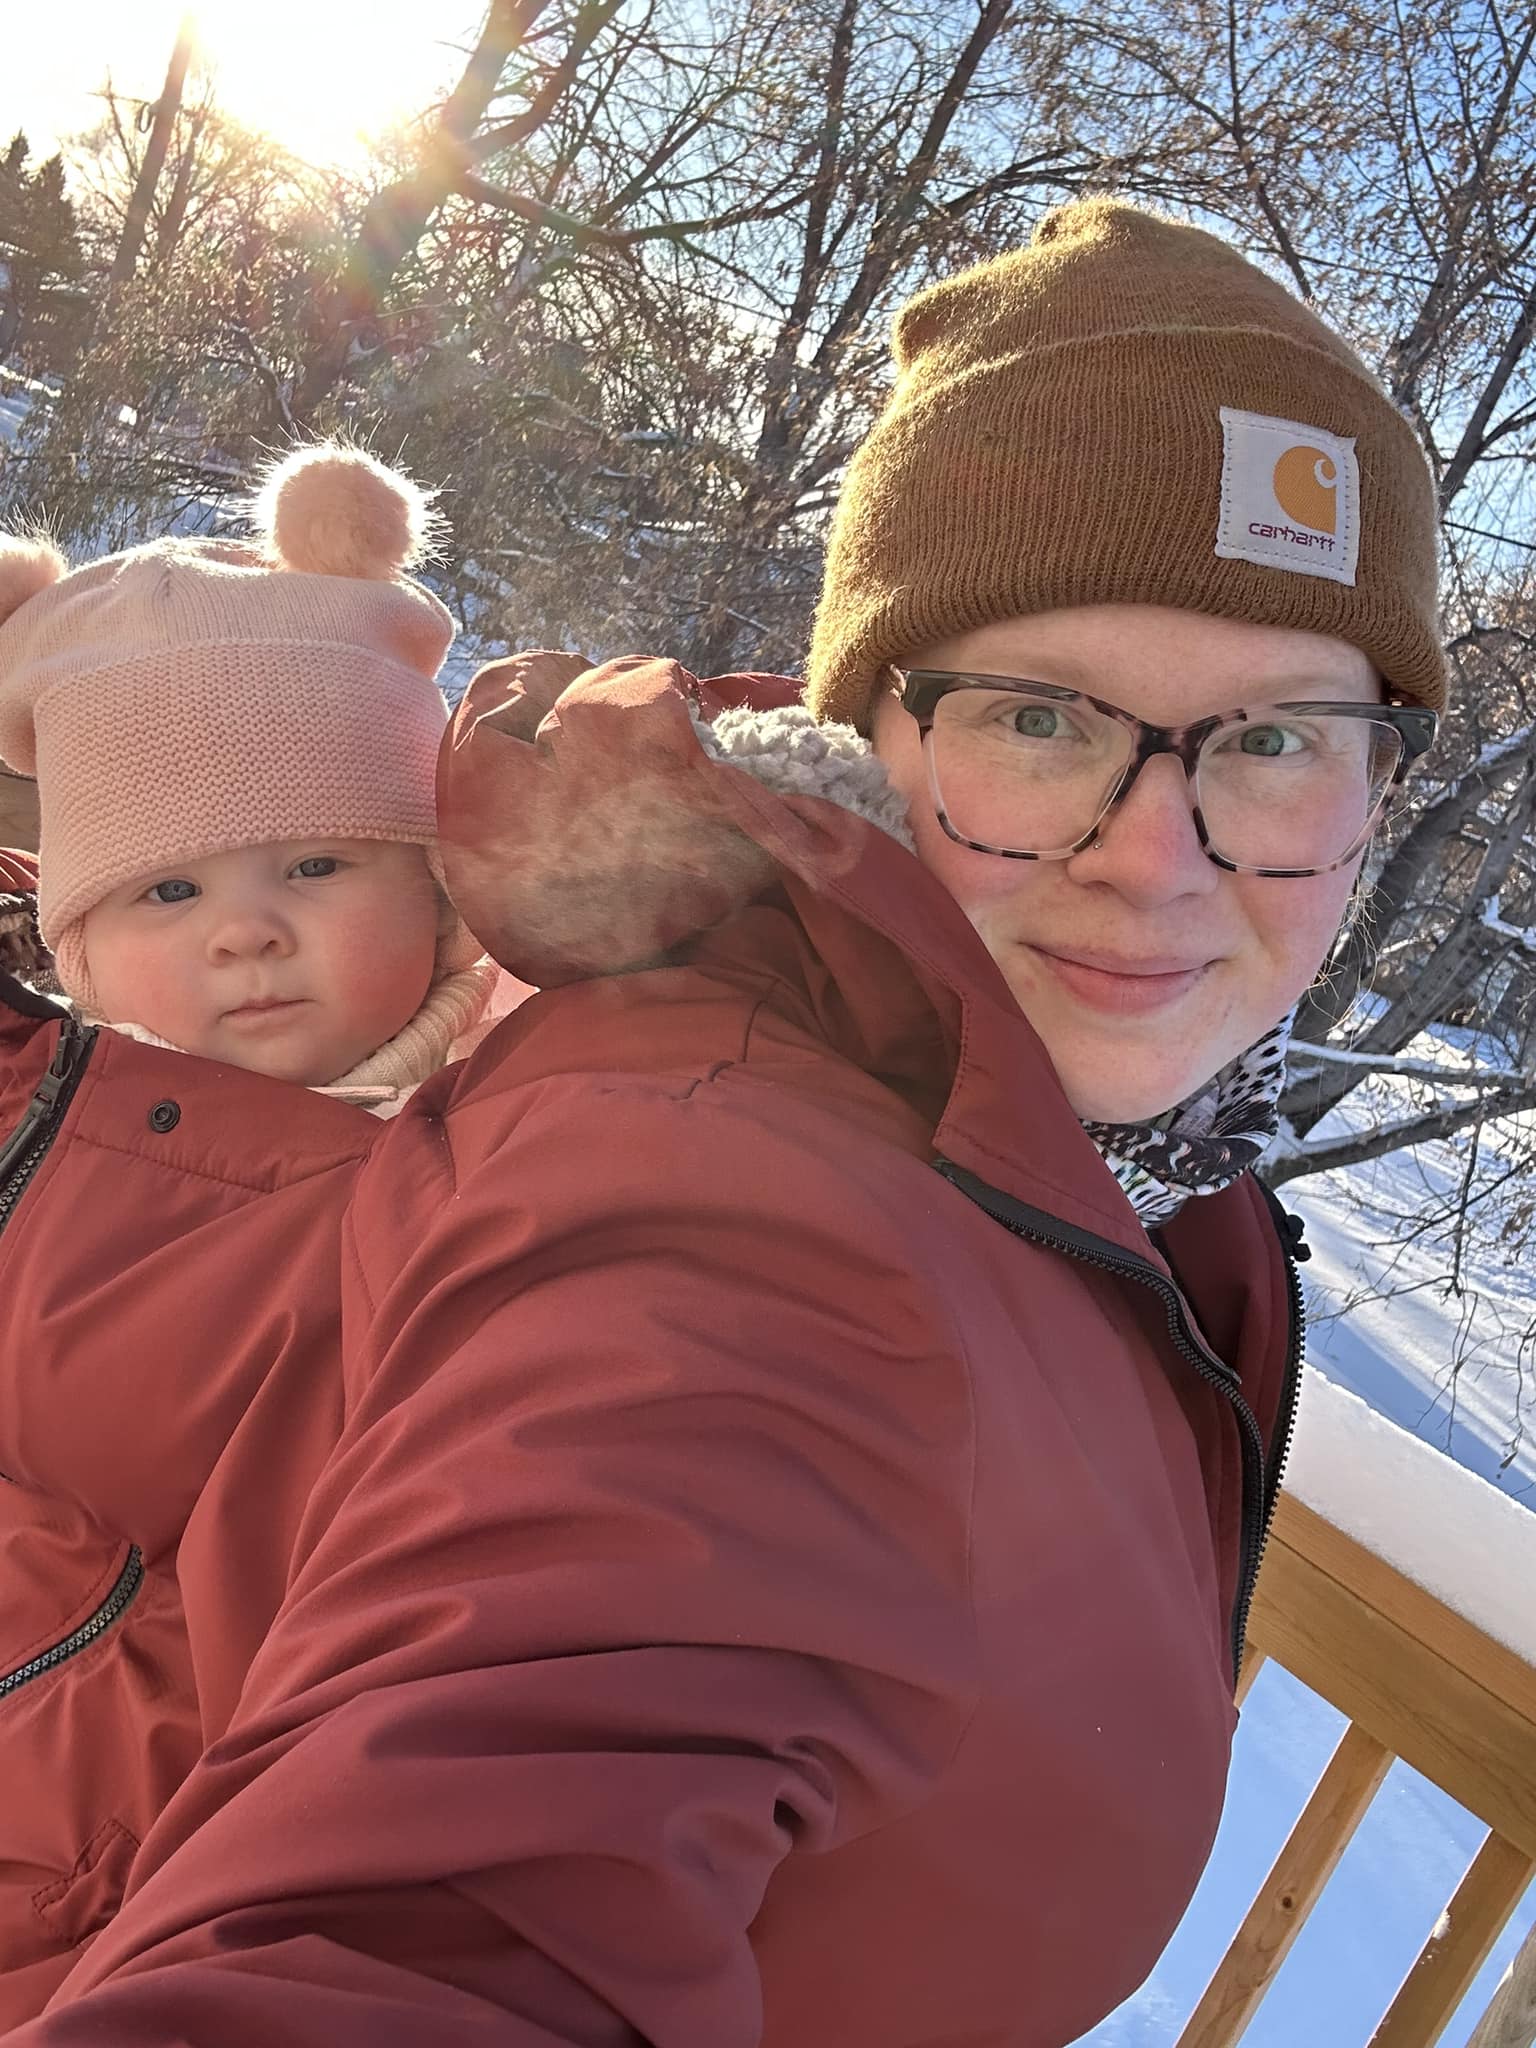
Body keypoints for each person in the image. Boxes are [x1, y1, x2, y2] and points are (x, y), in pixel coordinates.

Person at [10, 200, 1443, 2047]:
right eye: (1036, 720)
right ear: (871, 742)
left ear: (1377, 783)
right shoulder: (724, 1184)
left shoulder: (1128, 1155)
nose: (1152, 860)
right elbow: (461, 1880)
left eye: (1276, 739)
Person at [0, 444, 503, 2026]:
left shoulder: (516, 1134)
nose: (245, 928)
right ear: (73, 939)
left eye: (315, 861)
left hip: (189, 1842)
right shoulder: (47, 1101)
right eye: (163, 891)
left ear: (432, 884)